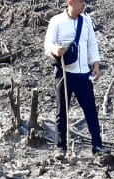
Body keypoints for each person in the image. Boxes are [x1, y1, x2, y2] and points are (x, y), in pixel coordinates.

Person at [44, 0, 104, 160]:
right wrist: (55, 50)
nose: (83, 5)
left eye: (84, 2)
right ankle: (60, 147)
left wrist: (95, 64)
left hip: (83, 73)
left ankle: (97, 145)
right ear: (70, 2)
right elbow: (47, 43)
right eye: (80, 2)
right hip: (64, 73)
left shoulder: (87, 21)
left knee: (91, 110)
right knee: (61, 111)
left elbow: (92, 43)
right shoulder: (56, 21)